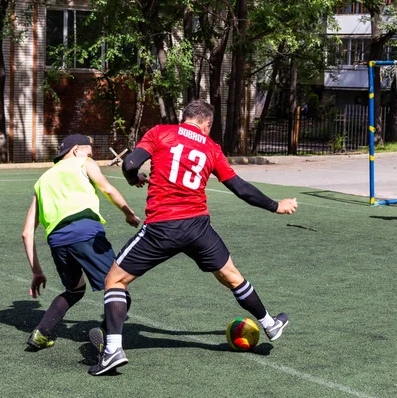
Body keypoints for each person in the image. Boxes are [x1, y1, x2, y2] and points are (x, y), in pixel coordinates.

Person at [88, 100, 298, 376]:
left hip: (163, 226)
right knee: (231, 276)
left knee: (115, 280)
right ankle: (269, 323)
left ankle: (113, 350)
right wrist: (276, 205)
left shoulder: (160, 133)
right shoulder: (211, 148)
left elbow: (129, 163)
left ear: (184, 118)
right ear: (207, 124)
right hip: (198, 227)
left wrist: (133, 178)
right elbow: (240, 188)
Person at [22, 134, 141, 350]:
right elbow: (106, 188)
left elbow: (27, 233)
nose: (91, 155)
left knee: (74, 290)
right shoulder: (84, 162)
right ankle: (106, 337)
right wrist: (128, 213)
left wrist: (36, 271)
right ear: (76, 150)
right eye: (90, 151)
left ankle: (41, 332)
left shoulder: (42, 180)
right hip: (86, 233)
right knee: (118, 287)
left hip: (57, 242)